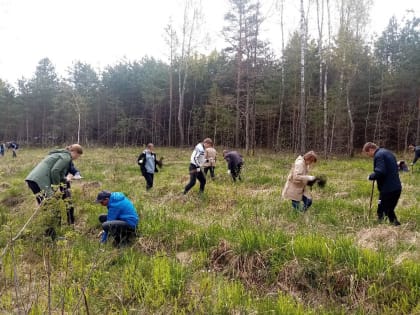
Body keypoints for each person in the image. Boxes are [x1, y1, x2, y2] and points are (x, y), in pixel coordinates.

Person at [25, 144, 83, 237]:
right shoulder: (66, 157)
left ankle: (50, 235)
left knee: (47, 207)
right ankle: (51, 237)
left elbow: (57, 172)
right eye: (78, 155)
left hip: (34, 180)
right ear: (74, 152)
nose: (77, 158)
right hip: (40, 181)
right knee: (52, 208)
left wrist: (65, 179)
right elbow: (55, 171)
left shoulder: (60, 154)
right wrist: (56, 188)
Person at [363, 142, 401, 226]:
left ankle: (379, 229)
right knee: (389, 210)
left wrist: (371, 176)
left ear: (370, 149)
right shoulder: (387, 152)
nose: (368, 155)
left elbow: (380, 172)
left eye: (367, 153)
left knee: (381, 211)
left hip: (387, 189)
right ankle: (396, 225)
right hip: (396, 187)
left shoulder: (378, 155)